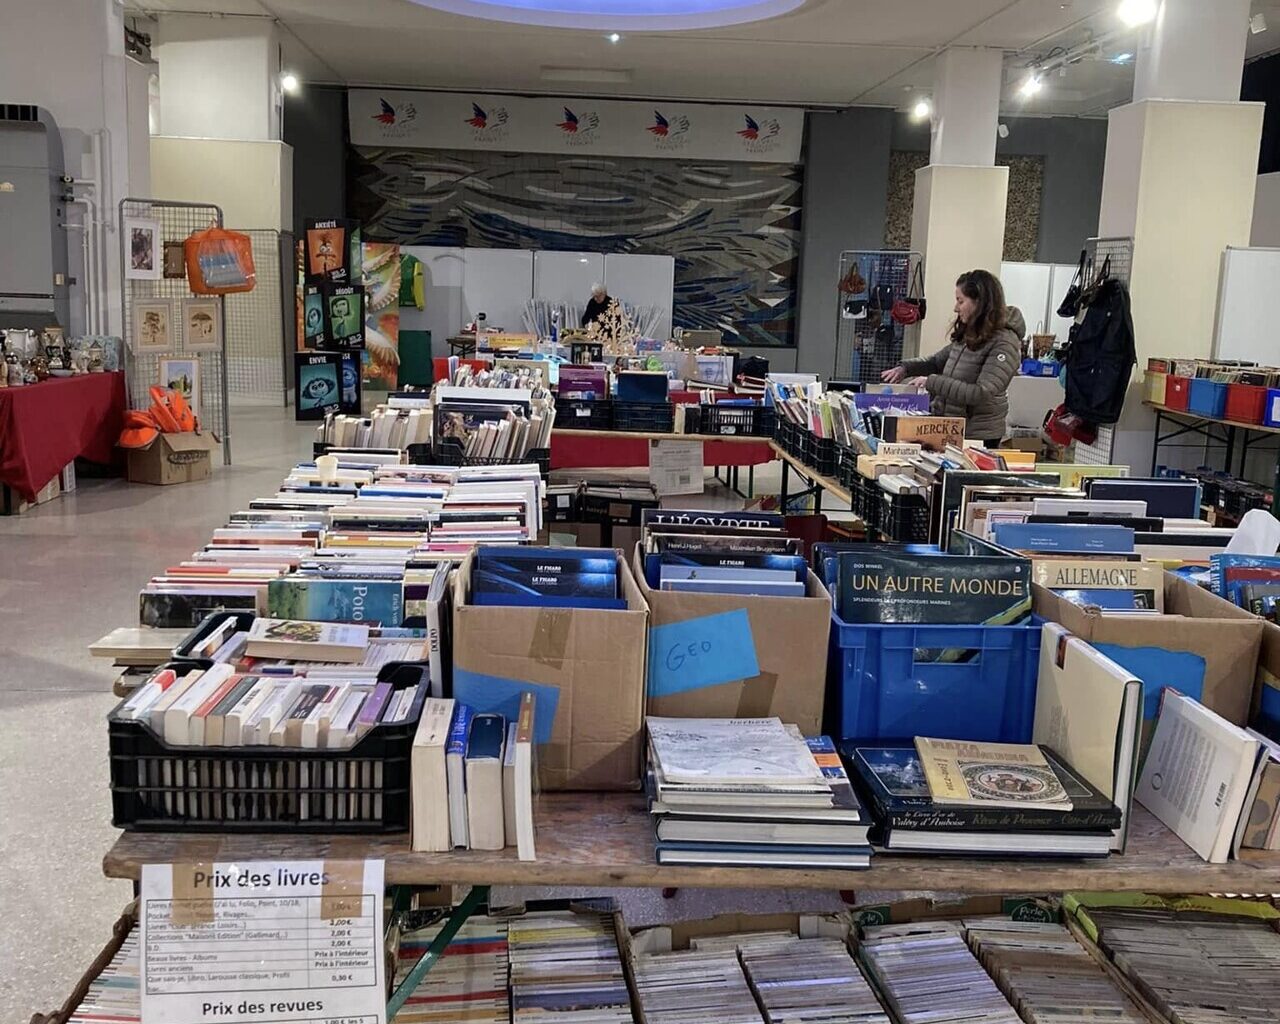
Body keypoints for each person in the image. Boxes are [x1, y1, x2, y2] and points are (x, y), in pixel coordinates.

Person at [881, 269, 1025, 448]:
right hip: (952, 428)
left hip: (977, 436)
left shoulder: (1004, 342)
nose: (956, 308)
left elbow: (981, 393)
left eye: (960, 301)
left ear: (980, 302)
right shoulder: (969, 334)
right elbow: (936, 362)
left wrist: (932, 382)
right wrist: (905, 369)